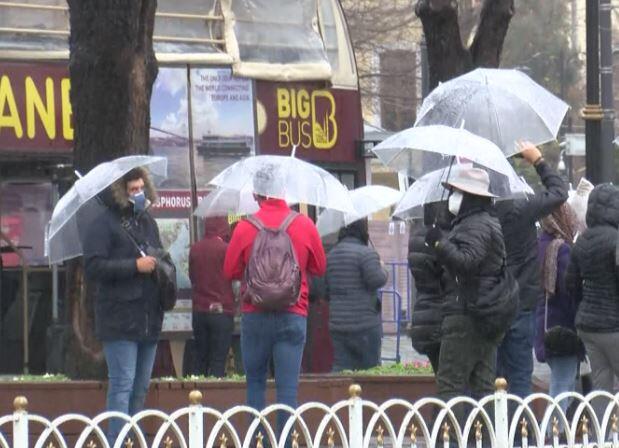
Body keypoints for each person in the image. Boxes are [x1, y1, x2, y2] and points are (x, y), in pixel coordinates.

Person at [223, 166, 326, 437]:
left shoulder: (245, 227)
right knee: (288, 388)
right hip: (294, 313)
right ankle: (285, 443)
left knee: (255, 383)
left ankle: (257, 440)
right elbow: (320, 267)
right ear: (283, 190)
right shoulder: (303, 224)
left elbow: (229, 270)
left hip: (254, 314)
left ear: (256, 193)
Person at [81, 167, 163, 444]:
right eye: (132, 190)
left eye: (141, 188)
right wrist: (133, 266)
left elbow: (158, 254)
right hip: (118, 320)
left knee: (140, 388)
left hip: (148, 318)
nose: (138, 194)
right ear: (121, 193)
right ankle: (117, 440)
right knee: (122, 386)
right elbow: (93, 267)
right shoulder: (103, 225)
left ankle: (132, 439)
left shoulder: (147, 221)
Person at [425, 167, 507, 401]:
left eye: (457, 192)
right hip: (482, 309)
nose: (453, 197)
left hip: (466, 311)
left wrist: (440, 244)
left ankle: (449, 437)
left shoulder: (475, 224)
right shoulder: (482, 222)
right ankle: (483, 437)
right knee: (483, 385)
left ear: (470, 196)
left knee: (450, 384)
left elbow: (467, 262)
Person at [495, 142, 568, 398]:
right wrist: (538, 161)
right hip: (521, 301)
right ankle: (518, 436)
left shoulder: (477, 211)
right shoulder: (522, 208)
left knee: (490, 377)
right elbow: (559, 192)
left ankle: (490, 433)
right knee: (519, 377)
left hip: (488, 303)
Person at [567, 183, 619, 393]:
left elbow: (570, 283)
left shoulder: (581, 241)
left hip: (587, 325)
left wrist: (583, 305)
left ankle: (603, 425)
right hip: (614, 325)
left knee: (601, 383)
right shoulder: (616, 240)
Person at [534, 203, 581, 412]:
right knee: (563, 387)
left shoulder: (540, 244)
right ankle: (553, 436)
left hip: (545, 324)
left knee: (562, 383)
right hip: (563, 329)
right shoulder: (562, 249)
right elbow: (568, 291)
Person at [325, 219, 387, 372]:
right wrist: (382, 268)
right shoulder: (366, 253)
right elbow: (377, 280)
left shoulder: (331, 255)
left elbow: (325, 290)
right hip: (365, 325)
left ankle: (339, 396)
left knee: (341, 370)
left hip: (338, 325)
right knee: (370, 371)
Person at [407, 201, 453, 374]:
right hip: (442, 316)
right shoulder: (443, 238)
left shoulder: (416, 237)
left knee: (441, 377)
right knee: (451, 383)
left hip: (422, 314)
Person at [189, 216, 234, 378]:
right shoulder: (226, 249)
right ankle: (213, 399)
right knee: (218, 360)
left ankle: (196, 397)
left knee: (200, 358)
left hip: (199, 311)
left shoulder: (195, 249)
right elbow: (234, 275)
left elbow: (192, 277)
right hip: (222, 311)